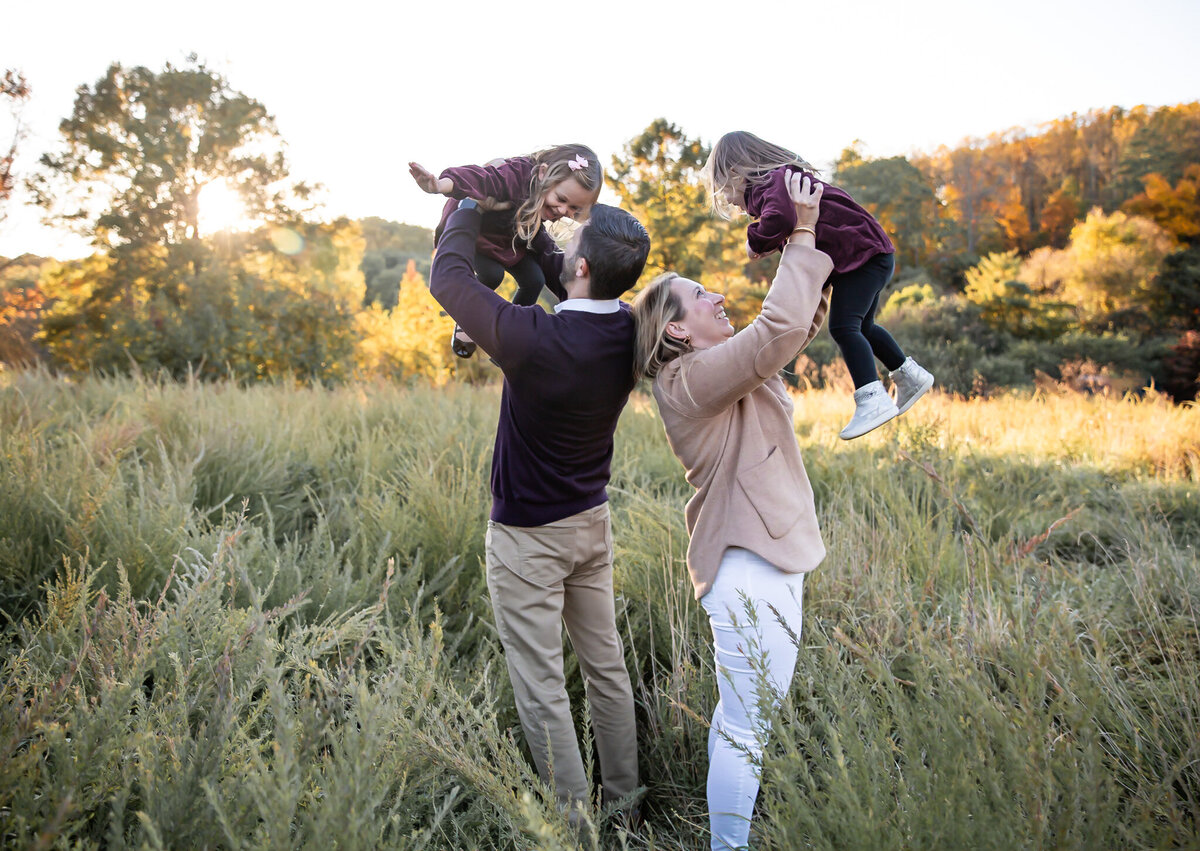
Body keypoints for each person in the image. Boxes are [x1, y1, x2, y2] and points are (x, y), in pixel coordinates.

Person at [427, 191, 651, 820]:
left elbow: (449, 278)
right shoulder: (629, 328)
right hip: (591, 527)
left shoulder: (531, 337)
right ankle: (626, 807)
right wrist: (529, 226)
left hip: (528, 538)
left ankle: (575, 828)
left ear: (581, 269)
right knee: (606, 670)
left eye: (573, 241)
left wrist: (466, 207)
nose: (564, 243)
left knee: (543, 687)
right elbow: (565, 271)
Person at [631, 172, 830, 850]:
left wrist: (815, 241)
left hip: (765, 559)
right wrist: (799, 232)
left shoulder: (723, 370)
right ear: (677, 328)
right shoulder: (684, 379)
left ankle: (727, 838)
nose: (716, 294)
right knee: (748, 727)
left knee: (738, 721)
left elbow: (790, 328)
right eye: (698, 294)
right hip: (750, 566)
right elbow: (777, 328)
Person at [703, 130, 934, 439]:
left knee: (844, 328)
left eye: (725, 192)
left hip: (862, 256)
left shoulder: (770, 184)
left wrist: (755, 241)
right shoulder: (783, 180)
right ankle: (909, 376)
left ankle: (871, 397)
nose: (734, 204)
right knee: (863, 327)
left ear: (735, 172)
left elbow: (782, 218)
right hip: (870, 254)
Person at [409, 144, 603, 358]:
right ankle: (465, 325)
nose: (563, 211)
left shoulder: (543, 203)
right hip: (478, 236)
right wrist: (439, 185)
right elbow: (480, 178)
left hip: (509, 241)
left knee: (534, 279)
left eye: (574, 208)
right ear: (542, 174)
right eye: (562, 199)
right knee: (492, 274)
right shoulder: (515, 174)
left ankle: (507, 338)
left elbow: (542, 242)